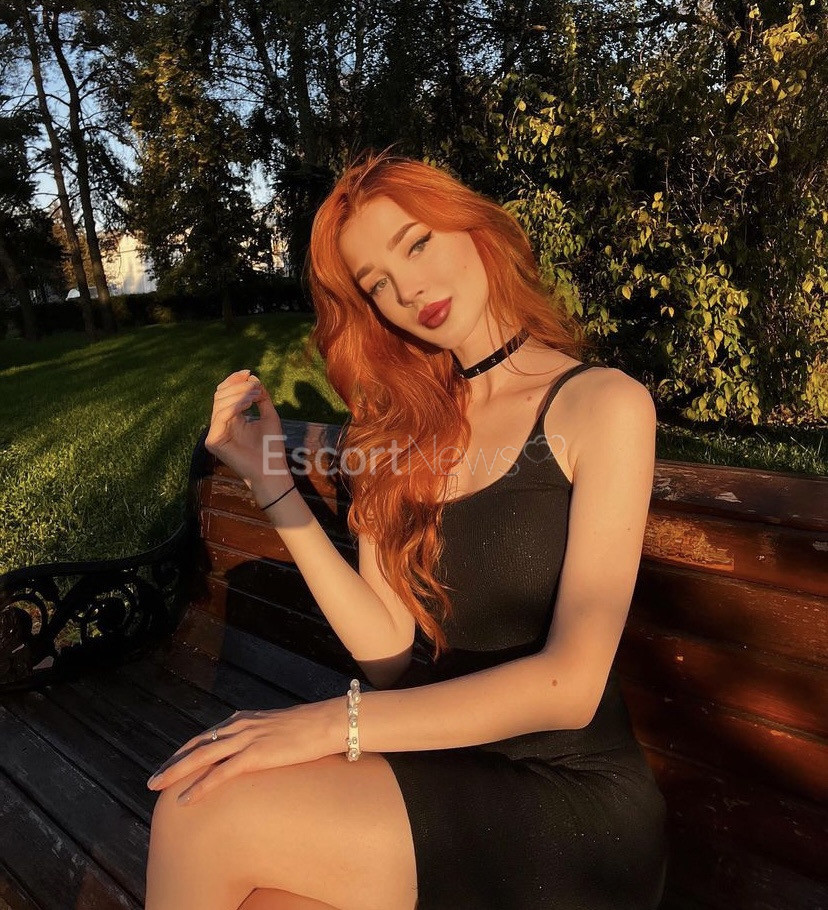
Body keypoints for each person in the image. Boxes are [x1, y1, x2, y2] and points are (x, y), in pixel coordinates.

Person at [143, 148, 668, 910]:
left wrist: (333, 725)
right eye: (377, 284)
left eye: (416, 244)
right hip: (444, 770)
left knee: (200, 813)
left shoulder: (604, 405)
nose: (407, 290)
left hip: (573, 809)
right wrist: (270, 482)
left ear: (472, 226)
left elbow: (572, 686)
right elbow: (390, 653)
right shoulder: (398, 433)